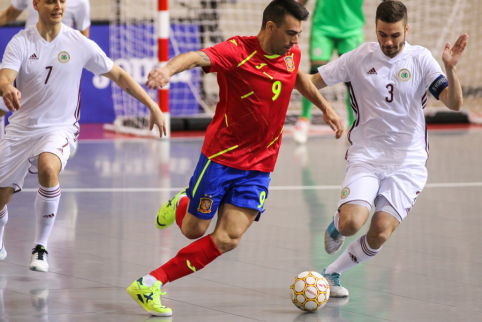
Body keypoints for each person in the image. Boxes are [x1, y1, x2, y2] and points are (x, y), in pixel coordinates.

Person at [126, 0, 344, 316]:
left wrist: (325, 108)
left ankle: (150, 283)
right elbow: (195, 57)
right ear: (271, 26)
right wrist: (166, 71)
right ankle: (184, 203)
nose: (296, 41)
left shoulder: (290, 54)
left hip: (260, 167)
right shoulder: (237, 52)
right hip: (221, 159)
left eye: (299, 34)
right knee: (193, 230)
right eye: (291, 33)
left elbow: (298, 76)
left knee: (228, 239)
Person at [308, 0, 467, 297]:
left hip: (408, 163)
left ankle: (332, 273)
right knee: (351, 223)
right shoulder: (359, 57)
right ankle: (336, 225)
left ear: (406, 30)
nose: (388, 42)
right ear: (376, 30)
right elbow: (312, 82)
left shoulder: (421, 59)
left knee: (379, 231)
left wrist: (450, 68)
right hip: (366, 157)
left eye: (395, 35)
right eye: (383, 34)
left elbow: (454, 103)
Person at [0, 0, 166, 271]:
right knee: (1, 195)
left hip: (59, 128)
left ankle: (40, 247)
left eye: (62, 1)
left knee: (48, 167)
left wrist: (152, 105)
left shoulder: (78, 42)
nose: (59, 6)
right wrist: (6, 87)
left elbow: (120, 76)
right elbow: (4, 77)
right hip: (21, 128)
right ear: (36, 4)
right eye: (51, 1)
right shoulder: (21, 42)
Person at [0, 0, 91, 140]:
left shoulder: (81, 2)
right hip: (27, 57)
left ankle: (65, 134)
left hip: (57, 64)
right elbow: (9, 14)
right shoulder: (19, 42)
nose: (58, 6)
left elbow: (83, 33)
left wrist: (71, 64)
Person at [293, 0, 364, 144]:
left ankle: (352, 125)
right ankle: (304, 119)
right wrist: (293, 13)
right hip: (323, 24)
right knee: (315, 71)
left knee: (353, 80)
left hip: (352, 27)